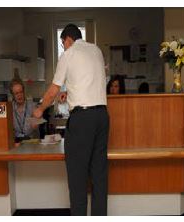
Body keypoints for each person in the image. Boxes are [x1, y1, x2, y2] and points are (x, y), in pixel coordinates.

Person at [33, 24, 109, 216]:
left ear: (67, 39)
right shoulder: (96, 50)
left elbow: (52, 90)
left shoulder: (69, 54)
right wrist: (71, 92)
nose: (63, 47)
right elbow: (89, 81)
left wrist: (40, 108)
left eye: (63, 44)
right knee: (99, 178)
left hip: (82, 120)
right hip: (102, 117)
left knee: (77, 179)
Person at [10, 79, 39, 144]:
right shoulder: (10, 108)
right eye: (16, 93)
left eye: (21, 92)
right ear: (12, 95)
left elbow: (36, 123)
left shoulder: (33, 106)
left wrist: (36, 123)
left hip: (32, 144)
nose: (19, 95)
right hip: (16, 143)